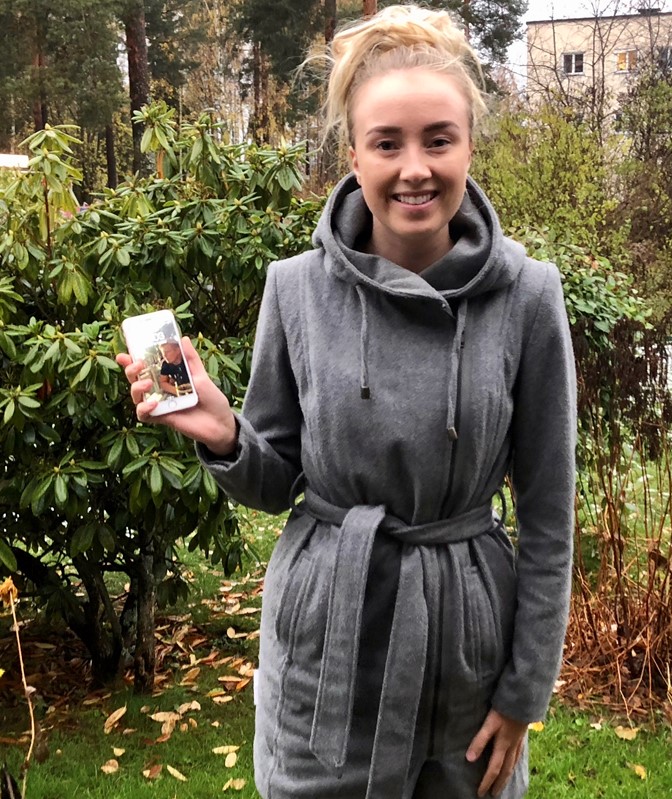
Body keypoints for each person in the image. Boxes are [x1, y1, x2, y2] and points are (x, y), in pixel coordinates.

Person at [117, 5, 576, 799]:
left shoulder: (529, 296)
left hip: (462, 659)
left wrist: (523, 690)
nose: (415, 168)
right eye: (386, 142)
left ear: (469, 143)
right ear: (352, 152)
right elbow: (275, 479)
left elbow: (549, 515)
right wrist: (225, 436)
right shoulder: (294, 290)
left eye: (439, 138)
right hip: (325, 648)